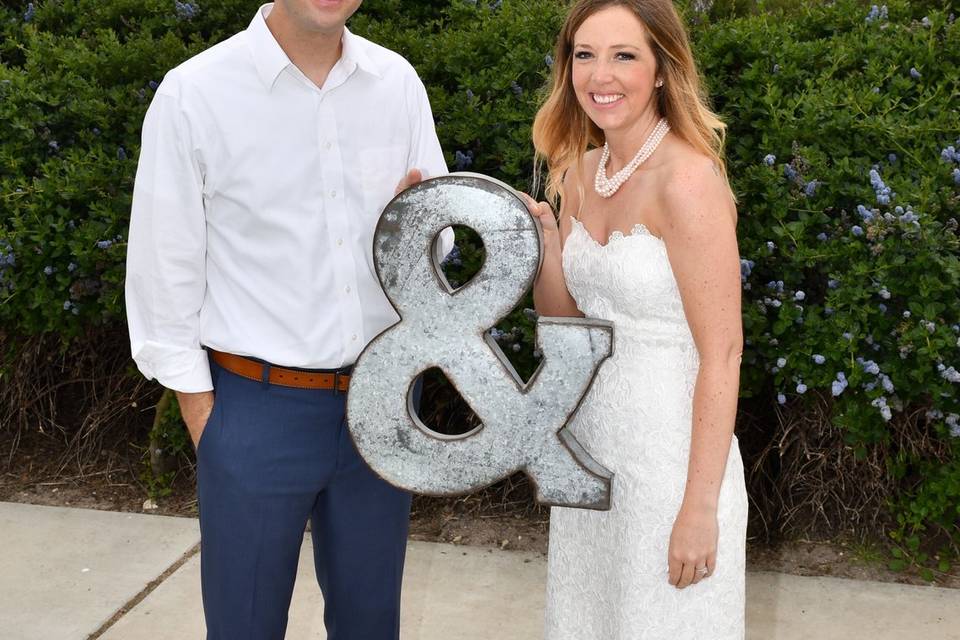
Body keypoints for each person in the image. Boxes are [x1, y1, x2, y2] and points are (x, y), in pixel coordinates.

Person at [125, 1, 452, 638]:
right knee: (245, 623)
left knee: (370, 622)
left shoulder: (397, 83)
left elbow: (437, 241)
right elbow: (165, 265)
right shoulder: (195, 92)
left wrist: (413, 229)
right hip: (255, 407)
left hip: (380, 402)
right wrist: (203, 413)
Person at [525, 0, 748, 638]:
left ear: (660, 70)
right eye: (585, 55)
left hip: (671, 465)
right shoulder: (578, 171)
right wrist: (547, 248)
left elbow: (722, 353)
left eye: (625, 55)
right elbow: (566, 325)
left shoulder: (688, 180)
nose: (603, 74)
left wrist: (700, 506)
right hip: (593, 458)